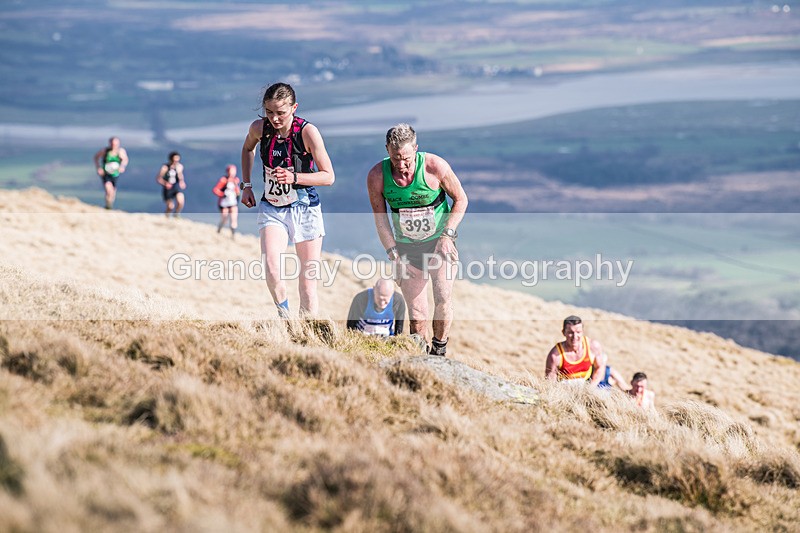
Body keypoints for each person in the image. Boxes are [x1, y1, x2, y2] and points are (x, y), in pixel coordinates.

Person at [366, 123, 468, 357]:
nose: (401, 165)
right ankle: (420, 361)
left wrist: (448, 235)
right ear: (387, 150)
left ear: (416, 149)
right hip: (406, 248)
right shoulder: (377, 176)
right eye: (395, 158)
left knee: (442, 298)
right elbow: (380, 219)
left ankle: (439, 352)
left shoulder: (434, 166)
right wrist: (394, 255)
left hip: (439, 243)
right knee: (417, 314)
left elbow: (461, 199)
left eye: (406, 159)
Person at [240, 82, 335, 318]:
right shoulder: (259, 128)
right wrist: (247, 185)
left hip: (305, 209)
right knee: (272, 269)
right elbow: (247, 149)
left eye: (281, 112)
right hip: (272, 207)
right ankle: (286, 319)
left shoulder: (307, 132)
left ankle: (307, 334)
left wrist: (295, 177)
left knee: (307, 283)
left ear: (294, 108)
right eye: (269, 112)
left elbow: (328, 176)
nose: (274, 118)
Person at [545, 315, 605, 385]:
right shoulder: (555, 355)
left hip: (588, 385)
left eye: (578, 332)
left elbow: (600, 367)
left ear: (582, 332)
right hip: (565, 389)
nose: (575, 337)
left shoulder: (593, 346)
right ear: (563, 332)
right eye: (570, 332)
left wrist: (591, 387)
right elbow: (550, 381)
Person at [93, 136, 129, 210]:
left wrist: (122, 166)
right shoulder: (105, 151)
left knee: (112, 192)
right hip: (106, 173)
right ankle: (108, 206)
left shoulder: (121, 151)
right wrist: (99, 168)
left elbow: (125, 160)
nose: (114, 145)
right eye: (112, 144)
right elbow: (96, 157)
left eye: (115, 144)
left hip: (115, 174)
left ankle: (109, 204)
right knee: (108, 189)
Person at [212, 164, 240, 238]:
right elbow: (215, 190)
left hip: (233, 202)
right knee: (224, 218)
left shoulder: (236, 180)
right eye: (231, 171)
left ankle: (233, 235)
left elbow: (237, 191)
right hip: (224, 202)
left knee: (233, 219)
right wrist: (222, 194)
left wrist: (237, 194)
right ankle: (219, 230)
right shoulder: (223, 180)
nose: (232, 173)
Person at [156, 151, 186, 218]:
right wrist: (165, 183)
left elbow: (180, 176)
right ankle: (166, 217)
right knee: (170, 206)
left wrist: (182, 182)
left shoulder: (179, 167)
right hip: (168, 189)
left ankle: (176, 214)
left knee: (180, 201)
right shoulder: (165, 167)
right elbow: (158, 178)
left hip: (176, 187)